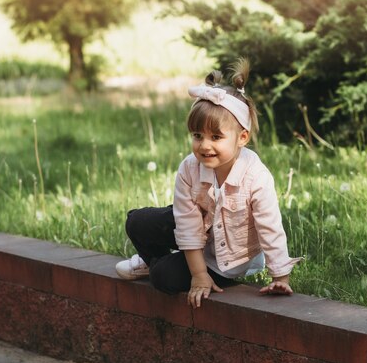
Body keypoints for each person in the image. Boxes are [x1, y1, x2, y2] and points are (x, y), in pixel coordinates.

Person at [116, 58, 302, 308]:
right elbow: (187, 224)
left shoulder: (255, 176)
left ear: (242, 138)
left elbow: (270, 227)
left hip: (225, 257)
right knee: (137, 221)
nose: (204, 145)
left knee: (163, 278)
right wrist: (198, 275)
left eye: (216, 137)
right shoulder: (189, 168)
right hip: (198, 229)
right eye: (197, 135)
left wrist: (281, 277)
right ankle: (151, 260)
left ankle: (156, 266)